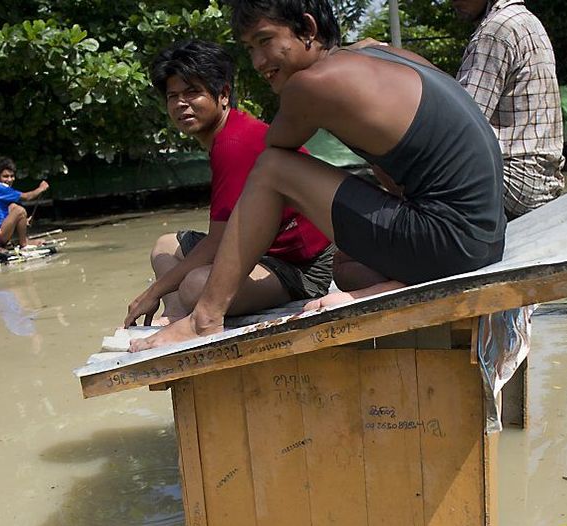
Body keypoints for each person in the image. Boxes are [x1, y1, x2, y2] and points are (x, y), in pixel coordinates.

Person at [130, 0, 505, 351]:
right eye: (249, 49)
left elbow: (274, 151)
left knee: (272, 168)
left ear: (308, 29)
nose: (259, 62)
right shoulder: (378, 52)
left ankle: (204, 319)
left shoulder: (310, 85)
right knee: (346, 268)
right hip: (487, 236)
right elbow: (395, 163)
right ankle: (398, 283)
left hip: (452, 241)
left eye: (265, 41)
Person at [123, 40, 336, 328]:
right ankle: (173, 315)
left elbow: (217, 243)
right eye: (173, 96)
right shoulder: (228, 134)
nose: (181, 104)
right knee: (164, 245)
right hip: (261, 252)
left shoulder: (233, 143)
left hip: (301, 267)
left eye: (192, 92)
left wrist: (152, 292)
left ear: (223, 94)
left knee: (195, 285)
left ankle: (180, 309)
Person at [454, 0, 565, 218]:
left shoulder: (495, 30)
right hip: (542, 178)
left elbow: (461, 124)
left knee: (417, 172)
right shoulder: (528, 21)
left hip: (514, 181)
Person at [0, 157, 49, 250]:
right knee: (20, 211)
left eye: (12, 176)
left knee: (13, 206)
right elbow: (27, 197)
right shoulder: (0, 188)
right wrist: (41, 188)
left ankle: (23, 240)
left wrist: (23, 221)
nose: (9, 179)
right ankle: (24, 244)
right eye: (5, 176)